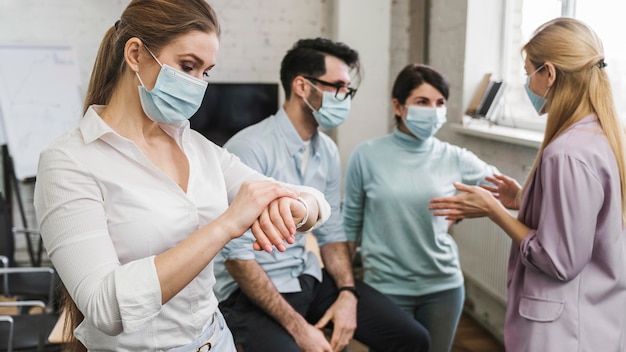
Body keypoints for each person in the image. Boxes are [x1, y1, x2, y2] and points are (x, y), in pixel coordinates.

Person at [32, 1, 332, 351]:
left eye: (205, 72)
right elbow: (105, 307)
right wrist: (226, 225)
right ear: (135, 54)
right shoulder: (69, 162)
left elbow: (311, 200)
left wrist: (297, 208)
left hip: (216, 340)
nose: (197, 84)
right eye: (187, 66)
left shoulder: (199, 149)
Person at [213, 38, 430, 352]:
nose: (345, 97)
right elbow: (237, 259)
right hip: (248, 293)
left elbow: (331, 230)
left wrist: (346, 293)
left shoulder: (326, 149)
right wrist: (299, 329)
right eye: (339, 87)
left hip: (306, 276)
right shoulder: (248, 148)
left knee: (413, 338)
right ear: (302, 86)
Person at [429, 17, 626, 351]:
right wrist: (524, 198)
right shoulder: (599, 135)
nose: (527, 83)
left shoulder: (566, 152)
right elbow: (585, 220)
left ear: (549, 73)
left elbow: (559, 261)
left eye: (528, 72)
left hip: (562, 331)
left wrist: (494, 211)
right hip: (595, 317)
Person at [341, 63, 498, 352]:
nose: (434, 110)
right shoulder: (367, 155)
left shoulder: (454, 157)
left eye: (440, 103)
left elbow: (505, 191)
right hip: (384, 289)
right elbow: (349, 224)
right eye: (422, 102)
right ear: (398, 106)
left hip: (443, 288)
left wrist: (472, 209)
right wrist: (345, 289)